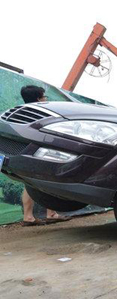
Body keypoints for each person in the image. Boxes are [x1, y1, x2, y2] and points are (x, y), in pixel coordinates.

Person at [20, 85, 70, 226]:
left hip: (24, 153)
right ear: (38, 98)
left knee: (28, 184)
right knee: (50, 182)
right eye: (44, 97)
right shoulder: (40, 112)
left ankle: (28, 217)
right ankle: (52, 213)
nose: (45, 99)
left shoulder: (21, 111)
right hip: (40, 153)